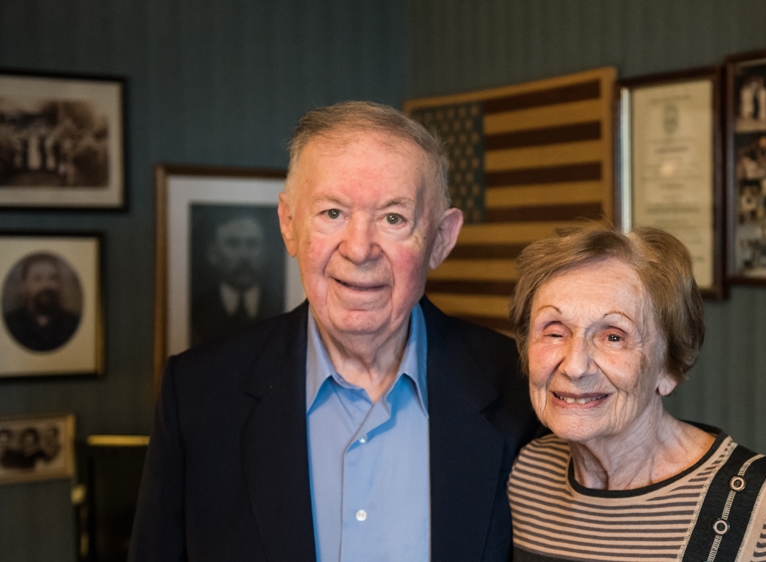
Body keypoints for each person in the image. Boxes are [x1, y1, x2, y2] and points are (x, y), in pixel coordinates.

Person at [129, 101, 540, 562]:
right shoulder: (198, 395)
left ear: (441, 239)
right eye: (332, 213)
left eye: (393, 218)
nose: (359, 249)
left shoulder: (523, 392)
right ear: (289, 225)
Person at [507, 225, 766, 562]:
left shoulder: (760, 504)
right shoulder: (527, 476)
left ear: (670, 368)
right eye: (554, 333)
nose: (575, 366)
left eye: (614, 337)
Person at [190, 213, 284, 346]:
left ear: (265, 253)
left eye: (252, 244)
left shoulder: (281, 305)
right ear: (213, 254)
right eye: (232, 244)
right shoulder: (196, 310)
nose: (244, 255)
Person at [3, 253, 80, 352]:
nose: (46, 285)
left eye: (52, 278)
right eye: (37, 279)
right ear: (24, 286)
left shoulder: (72, 323)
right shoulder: (11, 323)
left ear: (59, 284)